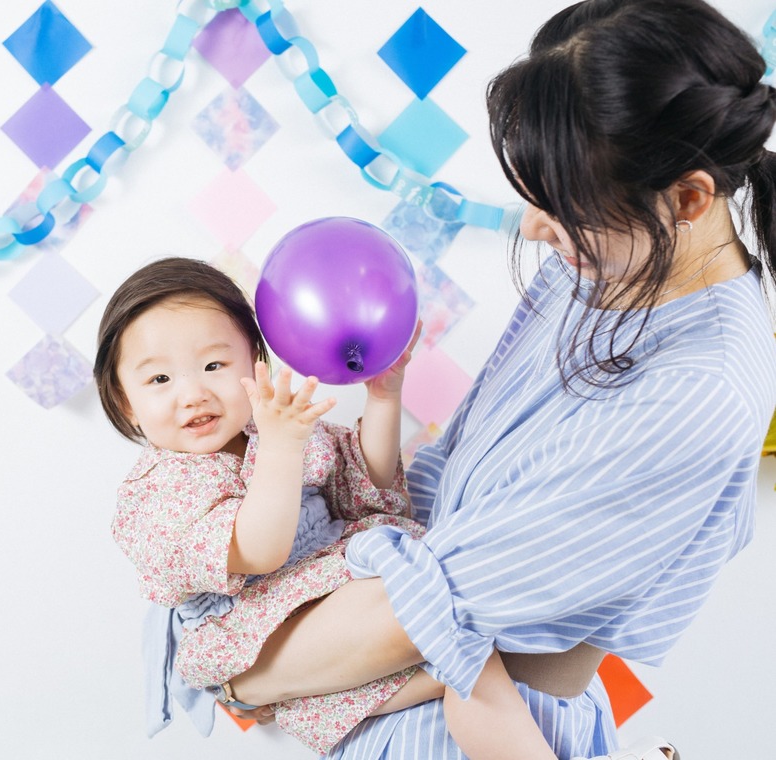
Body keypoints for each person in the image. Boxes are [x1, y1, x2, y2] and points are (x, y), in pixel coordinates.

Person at [213, 1, 776, 758]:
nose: (536, 227)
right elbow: (443, 494)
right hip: (398, 696)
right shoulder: (607, 270)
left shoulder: (696, 389)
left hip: (464, 721)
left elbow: (431, 610)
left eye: (565, 204)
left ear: (688, 199)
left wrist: (236, 671)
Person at [95, 256, 579, 758]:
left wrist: (384, 396)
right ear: (125, 401)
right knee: (449, 634)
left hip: (333, 607)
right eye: (159, 380)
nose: (193, 394)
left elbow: (365, 484)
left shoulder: (272, 430)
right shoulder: (156, 493)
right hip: (261, 633)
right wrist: (283, 448)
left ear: (255, 363)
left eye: (214, 365)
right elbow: (259, 550)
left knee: (468, 663)